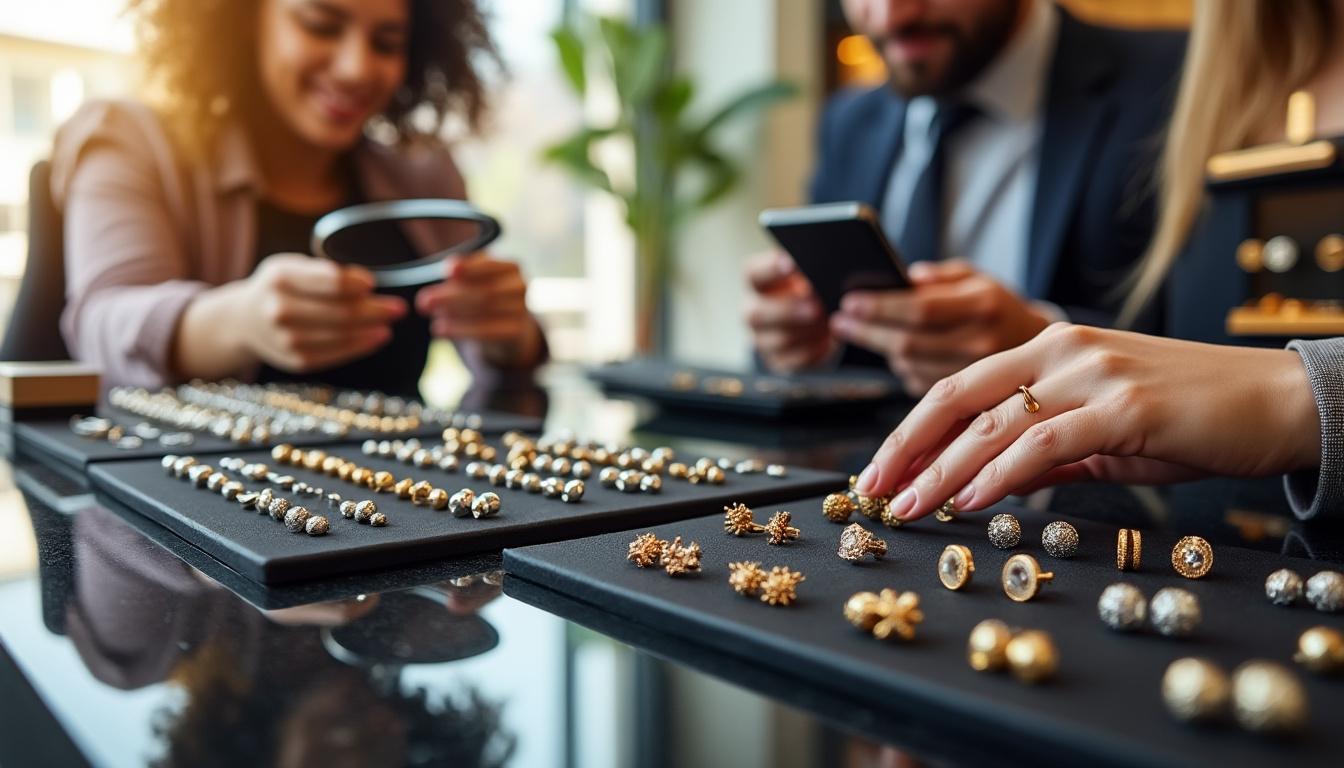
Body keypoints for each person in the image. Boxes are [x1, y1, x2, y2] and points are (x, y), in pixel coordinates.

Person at [854, 0, 1344, 521]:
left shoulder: (1170, 77)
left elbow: (1211, 365)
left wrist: (1304, 401)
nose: (889, 15)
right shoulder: (1231, 65)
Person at [52, 0, 545, 396]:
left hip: (411, 502)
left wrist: (509, 336)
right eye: (322, 25)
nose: (357, 67)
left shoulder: (425, 174)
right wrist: (238, 320)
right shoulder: (131, 141)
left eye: (387, 42)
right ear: (246, 17)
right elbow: (99, 326)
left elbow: (505, 356)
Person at [746, 0, 1184, 394]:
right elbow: (849, 355)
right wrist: (808, 343)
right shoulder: (849, 122)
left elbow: (1221, 344)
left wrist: (1044, 346)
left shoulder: (1180, 83)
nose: (889, 16)